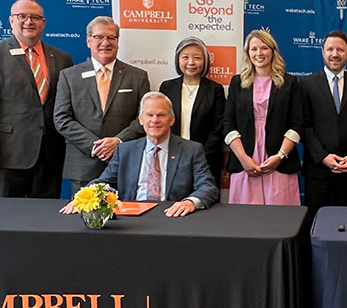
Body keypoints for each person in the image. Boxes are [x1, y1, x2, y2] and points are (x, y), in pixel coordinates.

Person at [0, 0, 73, 198]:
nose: (29, 21)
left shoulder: (62, 58)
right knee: (6, 221)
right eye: (22, 16)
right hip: (8, 157)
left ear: (43, 22)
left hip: (50, 157)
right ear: (11, 20)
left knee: (45, 220)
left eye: (35, 17)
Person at [60, 92, 219, 217]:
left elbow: (208, 186)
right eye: (149, 115)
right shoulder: (125, 151)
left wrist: (190, 202)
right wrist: (82, 199)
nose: (154, 120)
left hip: (172, 216)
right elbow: (103, 183)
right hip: (131, 218)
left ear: (171, 120)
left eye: (161, 115)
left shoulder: (191, 150)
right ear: (141, 120)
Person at [54, 16, 151, 194]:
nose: (105, 43)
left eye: (111, 38)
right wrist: (96, 146)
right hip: (83, 165)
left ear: (117, 42)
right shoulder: (69, 76)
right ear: (88, 41)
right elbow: (61, 118)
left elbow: (144, 118)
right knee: (84, 218)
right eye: (99, 37)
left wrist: (118, 142)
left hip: (125, 161)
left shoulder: (138, 77)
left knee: (129, 218)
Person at [300, 31, 347, 220]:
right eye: (330, 49)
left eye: (340, 49)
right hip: (317, 170)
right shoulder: (306, 84)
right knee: (313, 223)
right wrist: (323, 157)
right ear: (322, 52)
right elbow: (304, 126)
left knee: (346, 223)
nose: (335, 54)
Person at [224, 30, 302, 205]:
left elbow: (297, 124)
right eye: (253, 49)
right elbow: (228, 124)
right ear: (248, 53)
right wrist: (244, 159)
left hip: (279, 162)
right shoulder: (237, 82)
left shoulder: (289, 82)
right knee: (247, 221)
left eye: (264, 48)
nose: (259, 53)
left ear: (273, 51)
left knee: (280, 220)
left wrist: (280, 156)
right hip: (245, 160)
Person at [159, 36, 226, 187]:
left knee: (205, 203)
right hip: (171, 157)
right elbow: (161, 123)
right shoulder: (167, 88)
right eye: (185, 57)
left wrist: (201, 154)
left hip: (206, 159)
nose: (191, 62)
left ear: (205, 61)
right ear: (178, 60)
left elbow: (218, 127)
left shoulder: (215, 90)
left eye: (197, 58)